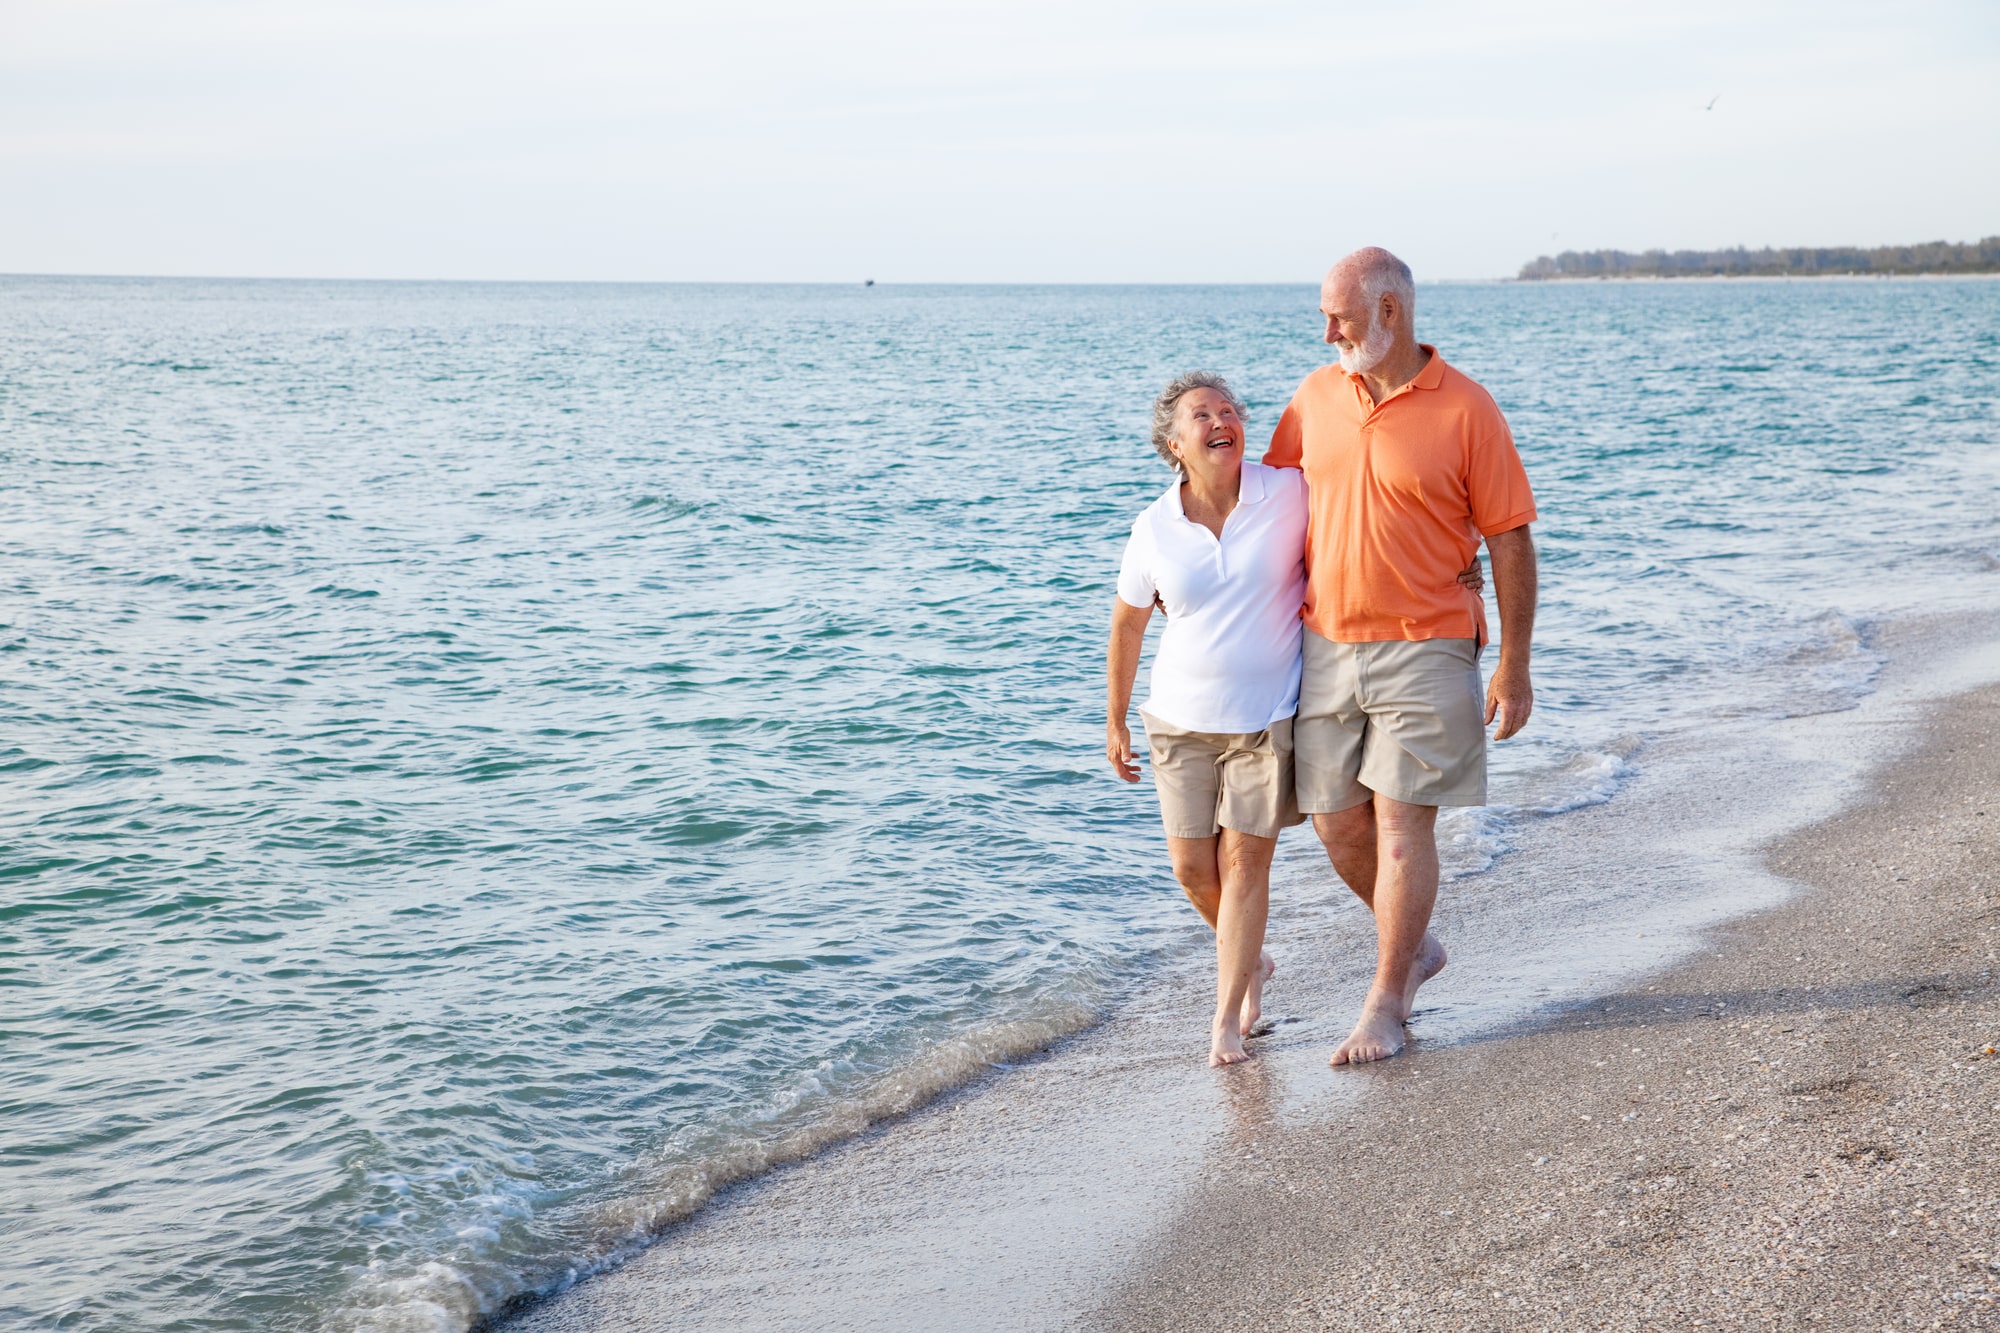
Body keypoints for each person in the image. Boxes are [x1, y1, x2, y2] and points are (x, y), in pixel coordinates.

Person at [1105, 370, 1484, 1067]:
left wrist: (1461, 561)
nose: (1221, 420)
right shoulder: (1154, 527)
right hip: (1178, 720)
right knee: (1194, 867)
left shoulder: (1286, 490)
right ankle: (1250, 959)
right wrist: (1116, 719)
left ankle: (1226, 1021)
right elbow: (1128, 625)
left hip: (1267, 718)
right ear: (1172, 442)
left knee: (1246, 860)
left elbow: (1375, 507)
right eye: (1201, 414)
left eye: (1229, 410)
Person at [1264, 246, 1539, 1067]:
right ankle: (1413, 944)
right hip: (1326, 641)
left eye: (1337, 316)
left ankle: (1386, 1001)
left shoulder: (1467, 409)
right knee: (1334, 819)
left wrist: (1514, 664)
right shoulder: (1315, 398)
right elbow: (1264, 502)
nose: (1325, 332)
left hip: (1430, 641)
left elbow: (1510, 539)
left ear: (1390, 311)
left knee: (1397, 827)